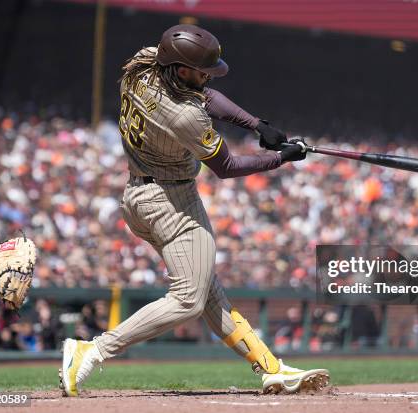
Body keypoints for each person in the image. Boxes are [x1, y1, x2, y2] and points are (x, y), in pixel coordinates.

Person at [60, 24, 329, 397]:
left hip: (138, 197)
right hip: (172, 203)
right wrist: (280, 158)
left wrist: (256, 124)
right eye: (202, 71)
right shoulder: (184, 115)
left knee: (204, 290)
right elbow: (227, 167)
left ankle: (271, 369)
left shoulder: (146, 63)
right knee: (189, 299)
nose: (207, 76)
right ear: (182, 70)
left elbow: (206, 95)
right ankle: (93, 350)